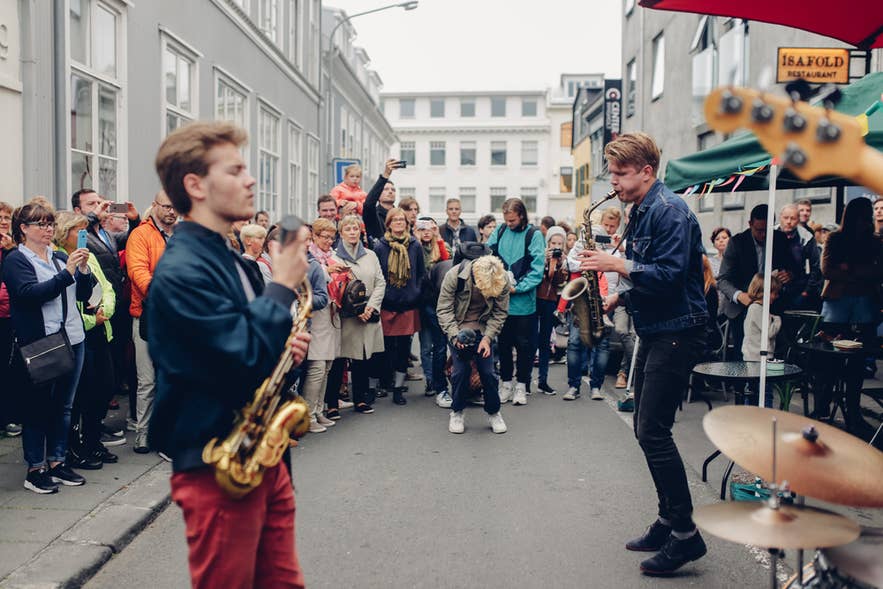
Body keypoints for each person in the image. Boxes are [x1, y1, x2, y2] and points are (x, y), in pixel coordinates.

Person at [147, 121, 311, 589]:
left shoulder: (231, 258)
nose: (250, 179)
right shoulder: (181, 270)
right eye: (235, 170)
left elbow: (245, 341)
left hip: (262, 457)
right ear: (195, 186)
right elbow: (238, 358)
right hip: (217, 465)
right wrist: (281, 287)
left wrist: (283, 346)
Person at [578, 132, 708, 574]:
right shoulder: (642, 209)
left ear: (647, 171)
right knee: (645, 426)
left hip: (678, 331)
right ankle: (668, 520)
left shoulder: (669, 211)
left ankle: (685, 535)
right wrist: (619, 297)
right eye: (612, 172)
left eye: (620, 173)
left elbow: (670, 275)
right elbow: (651, 278)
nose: (613, 181)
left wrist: (616, 265)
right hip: (658, 327)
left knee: (653, 430)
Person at [4, 202, 95, 493]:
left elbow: (83, 295)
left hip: (73, 338)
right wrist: (67, 273)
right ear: (23, 228)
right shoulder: (16, 260)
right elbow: (29, 294)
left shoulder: (58, 257)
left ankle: (57, 461)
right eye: (41, 224)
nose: (48, 229)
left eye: (50, 224)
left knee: (64, 406)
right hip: (42, 343)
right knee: (37, 407)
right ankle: (35, 469)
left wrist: (82, 270)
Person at [53, 211, 119, 470]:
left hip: (101, 329)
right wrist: (92, 319)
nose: (84, 236)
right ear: (64, 233)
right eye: (78, 231)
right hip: (80, 333)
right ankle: (74, 446)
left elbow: (107, 287)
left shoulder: (88, 257)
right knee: (82, 394)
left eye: (85, 231)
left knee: (105, 387)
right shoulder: (60, 257)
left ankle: (93, 440)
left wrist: (106, 310)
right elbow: (67, 302)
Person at [811, 198, 882, 436]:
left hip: (864, 306)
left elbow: (878, 270)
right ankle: (823, 408)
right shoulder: (835, 238)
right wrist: (861, 273)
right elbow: (827, 269)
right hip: (838, 306)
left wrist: (848, 269)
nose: (864, 221)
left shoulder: (875, 241)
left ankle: (853, 412)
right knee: (830, 361)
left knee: (857, 362)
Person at [436, 255, 510, 434]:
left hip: (484, 329)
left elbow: (500, 312)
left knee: (488, 372)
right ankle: (457, 412)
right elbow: (444, 309)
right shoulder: (455, 276)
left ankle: (494, 412)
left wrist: (487, 338)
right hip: (459, 328)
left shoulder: (502, 279)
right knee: (460, 372)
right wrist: (455, 336)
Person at [126, 191, 175, 454]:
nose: (171, 211)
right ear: (155, 206)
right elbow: (138, 272)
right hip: (148, 315)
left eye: (175, 207)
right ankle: (143, 433)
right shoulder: (141, 235)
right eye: (166, 206)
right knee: (147, 380)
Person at [717, 204, 797, 360]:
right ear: (750, 224)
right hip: (741, 308)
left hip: (773, 305)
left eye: (767, 230)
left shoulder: (780, 240)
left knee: (773, 353)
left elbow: (794, 268)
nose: (763, 235)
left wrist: (789, 275)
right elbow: (723, 279)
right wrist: (739, 295)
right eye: (759, 230)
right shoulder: (737, 242)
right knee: (742, 355)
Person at [487, 197, 545, 405]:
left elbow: (537, 269)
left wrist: (517, 287)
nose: (509, 223)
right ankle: (505, 385)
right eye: (506, 220)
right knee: (503, 346)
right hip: (501, 304)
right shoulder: (501, 230)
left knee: (524, 347)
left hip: (524, 304)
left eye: (512, 220)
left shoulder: (534, 234)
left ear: (521, 216)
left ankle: (521, 386)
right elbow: (487, 255)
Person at [332, 214, 386, 414]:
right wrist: (356, 310)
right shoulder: (334, 257)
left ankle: (360, 399)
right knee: (339, 359)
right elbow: (336, 288)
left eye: (355, 228)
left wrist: (371, 307)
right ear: (341, 233)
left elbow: (380, 282)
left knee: (362, 357)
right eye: (348, 229)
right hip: (346, 314)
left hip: (368, 311)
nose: (352, 232)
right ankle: (332, 403)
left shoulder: (370, 255)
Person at [373, 207, 425, 405]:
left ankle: (398, 388)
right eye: (395, 220)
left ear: (407, 223)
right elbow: (377, 275)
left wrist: (415, 293)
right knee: (385, 348)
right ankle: (384, 382)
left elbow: (420, 273)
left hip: (408, 304)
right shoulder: (380, 246)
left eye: (402, 220)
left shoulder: (415, 245)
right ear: (388, 224)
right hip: (387, 304)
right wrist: (385, 297)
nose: (399, 223)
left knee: (404, 349)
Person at [415, 217, 451, 405]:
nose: (426, 232)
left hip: (439, 301)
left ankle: (437, 381)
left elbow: (447, 264)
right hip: (423, 301)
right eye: (422, 228)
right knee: (427, 345)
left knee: (439, 345)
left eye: (430, 228)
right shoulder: (414, 247)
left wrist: (439, 238)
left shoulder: (441, 245)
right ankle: (431, 380)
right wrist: (415, 240)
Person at [535, 226, 569, 395]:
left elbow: (559, 282)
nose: (556, 246)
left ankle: (543, 381)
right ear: (547, 243)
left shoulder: (564, 260)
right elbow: (534, 276)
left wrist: (560, 264)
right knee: (530, 340)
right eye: (553, 243)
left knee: (545, 342)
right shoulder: (539, 255)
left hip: (550, 301)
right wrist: (544, 261)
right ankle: (524, 381)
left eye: (559, 244)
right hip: (535, 300)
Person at [0, 200, 22, 438]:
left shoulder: (13, 249)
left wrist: (10, 250)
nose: (4, 222)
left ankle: (8, 417)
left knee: (8, 369)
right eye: (0, 218)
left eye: (7, 218)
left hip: (8, 316)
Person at [776, 203, 822, 310]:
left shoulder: (806, 237)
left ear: (798, 220)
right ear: (780, 217)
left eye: (793, 218)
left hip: (797, 291)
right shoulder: (769, 233)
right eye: (786, 218)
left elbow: (816, 267)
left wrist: (806, 292)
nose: (789, 221)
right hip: (772, 291)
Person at [740, 273, 782, 362]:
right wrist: (778, 320)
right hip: (757, 357)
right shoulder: (757, 309)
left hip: (754, 356)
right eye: (775, 293)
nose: (777, 296)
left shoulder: (756, 308)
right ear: (765, 292)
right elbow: (770, 332)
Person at [363, 159, 399, 241]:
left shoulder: (400, 215)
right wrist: (385, 175)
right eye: (386, 189)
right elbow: (368, 204)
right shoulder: (374, 215)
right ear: (378, 194)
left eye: (393, 190)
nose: (390, 191)